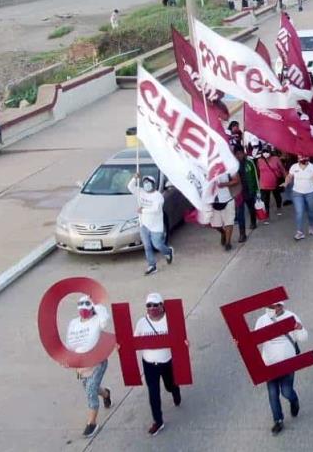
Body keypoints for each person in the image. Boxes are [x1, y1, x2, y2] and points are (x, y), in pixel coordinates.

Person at [254, 300, 309, 435]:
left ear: (280, 306)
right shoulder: (262, 320)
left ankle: (294, 400)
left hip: (287, 363)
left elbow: (303, 338)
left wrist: (300, 328)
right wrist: (239, 340)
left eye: (274, 306)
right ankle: (278, 420)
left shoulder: (291, 317)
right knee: (273, 394)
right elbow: (254, 340)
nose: (271, 308)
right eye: (269, 306)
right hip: (269, 364)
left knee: (286, 391)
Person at [134, 292, 182, 436]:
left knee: (169, 385)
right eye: (149, 305)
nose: (152, 308)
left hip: (166, 362)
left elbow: (180, 338)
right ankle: (158, 421)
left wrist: (185, 343)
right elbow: (134, 340)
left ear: (162, 306)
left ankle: (175, 391)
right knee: (153, 393)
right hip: (149, 364)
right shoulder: (142, 322)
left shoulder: (170, 320)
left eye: (156, 305)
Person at [65, 295, 112, 438]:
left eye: (87, 304)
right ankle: (106, 393)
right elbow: (69, 342)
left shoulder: (98, 319)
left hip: (97, 361)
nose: (83, 307)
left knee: (90, 391)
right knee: (87, 386)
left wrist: (98, 306)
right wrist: (67, 359)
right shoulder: (73, 323)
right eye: (80, 304)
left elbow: (105, 321)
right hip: (80, 366)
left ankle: (92, 423)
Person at [128, 174, 173, 275]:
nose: (146, 185)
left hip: (156, 226)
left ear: (153, 184)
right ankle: (152, 265)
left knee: (157, 245)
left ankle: (168, 251)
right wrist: (135, 178)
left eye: (148, 183)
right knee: (147, 246)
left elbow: (155, 210)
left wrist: (143, 210)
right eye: (144, 183)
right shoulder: (141, 192)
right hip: (144, 225)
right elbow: (130, 187)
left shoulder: (158, 196)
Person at [285, 155, 313, 240]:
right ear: (297, 159)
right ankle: (299, 232)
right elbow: (289, 176)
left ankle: (311, 226)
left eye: (304, 157)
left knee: (311, 211)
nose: (302, 159)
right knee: (299, 212)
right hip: (297, 193)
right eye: (300, 157)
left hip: (311, 192)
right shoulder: (294, 167)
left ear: (308, 158)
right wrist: (286, 182)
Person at [234, 146, 258, 243]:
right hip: (239, 193)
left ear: (244, 153)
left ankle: (253, 221)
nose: (240, 155)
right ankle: (242, 234)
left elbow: (256, 176)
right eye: (237, 154)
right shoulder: (233, 165)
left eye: (241, 153)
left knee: (251, 208)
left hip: (250, 190)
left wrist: (258, 190)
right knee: (240, 214)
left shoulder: (250, 162)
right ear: (235, 155)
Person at [211, 170, 240, 251]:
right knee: (216, 225)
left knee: (229, 222)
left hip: (228, 198)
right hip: (213, 200)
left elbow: (236, 180)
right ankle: (223, 233)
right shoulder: (207, 167)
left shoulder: (229, 166)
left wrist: (224, 184)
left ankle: (228, 243)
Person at [257, 146, 286, 223]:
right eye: (264, 152)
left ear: (270, 152)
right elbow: (258, 172)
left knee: (277, 196)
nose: (265, 153)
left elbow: (282, 169)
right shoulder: (259, 160)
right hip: (263, 184)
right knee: (265, 201)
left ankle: (279, 207)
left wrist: (285, 179)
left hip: (275, 182)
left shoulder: (276, 159)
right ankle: (267, 217)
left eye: (267, 152)